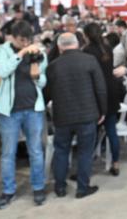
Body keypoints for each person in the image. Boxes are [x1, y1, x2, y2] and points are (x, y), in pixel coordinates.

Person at [0, 20, 49, 209]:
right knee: (8, 153)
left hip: (33, 109)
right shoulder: (2, 51)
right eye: (21, 40)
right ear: (13, 38)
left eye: (28, 40)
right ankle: (8, 190)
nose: (26, 43)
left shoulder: (38, 52)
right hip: (10, 111)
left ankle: (38, 187)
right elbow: (2, 71)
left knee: (36, 151)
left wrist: (37, 75)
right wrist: (21, 54)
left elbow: (43, 83)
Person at [44, 33, 107, 198]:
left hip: (62, 116)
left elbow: (47, 93)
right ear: (78, 44)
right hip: (87, 115)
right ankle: (82, 188)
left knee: (61, 151)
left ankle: (60, 187)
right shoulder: (90, 61)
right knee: (85, 152)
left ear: (59, 47)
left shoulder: (53, 66)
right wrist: (103, 111)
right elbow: (100, 88)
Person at [82, 23, 122, 176]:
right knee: (112, 130)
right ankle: (116, 164)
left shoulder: (87, 51)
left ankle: (86, 167)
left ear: (86, 36)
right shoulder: (108, 49)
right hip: (111, 91)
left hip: (95, 93)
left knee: (91, 132)